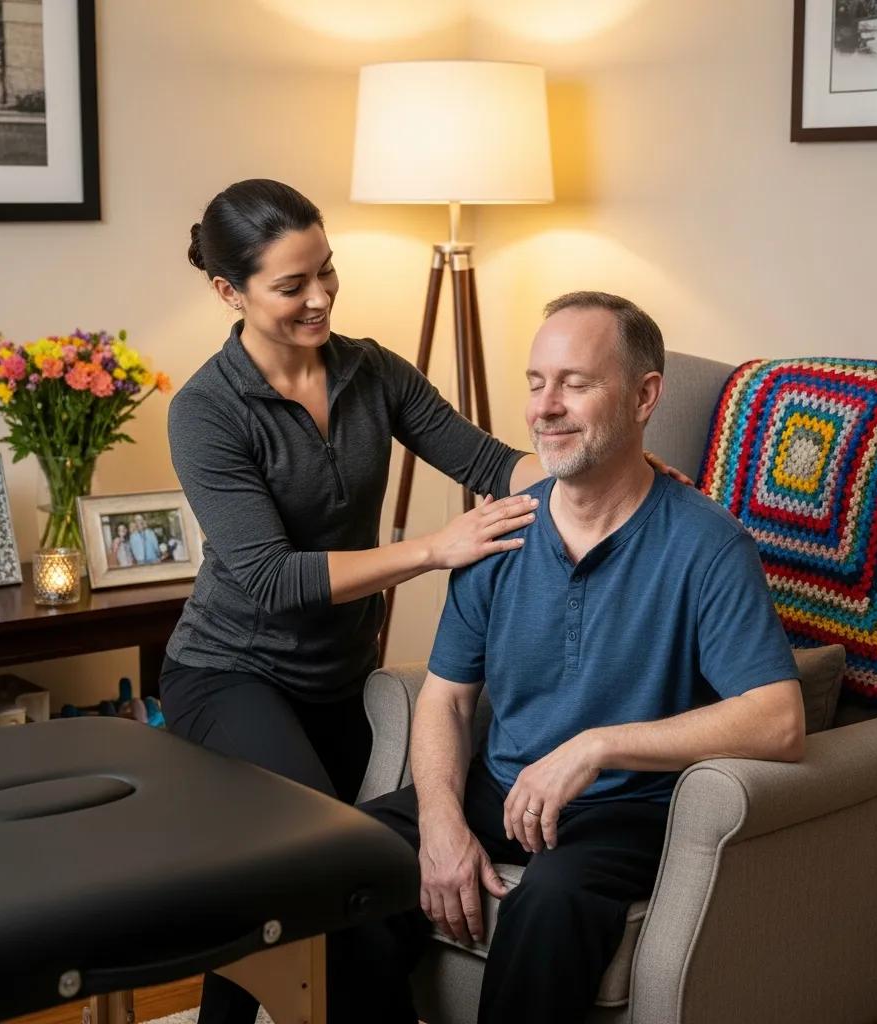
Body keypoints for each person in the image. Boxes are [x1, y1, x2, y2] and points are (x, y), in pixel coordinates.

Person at [161, 180, 687, 1024]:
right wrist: (434, 551)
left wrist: (618, 465)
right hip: (231, 674)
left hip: (340, 679)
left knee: (283, 899)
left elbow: (487, 461)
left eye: (326, 272)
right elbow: (270, 579)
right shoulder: (206, 411)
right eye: (292, 286)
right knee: (319, 871)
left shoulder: (371, 371)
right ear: (230, 293)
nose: (321, 297)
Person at [326, 292, 805, 1024]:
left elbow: (779, 722)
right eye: (535, 382)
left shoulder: (708, 544)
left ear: (645, 397)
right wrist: (444, 822)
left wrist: (598, 746)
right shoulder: (498, 533)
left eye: (576, 383)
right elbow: (447, 699)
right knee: (346, 862)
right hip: (501, 785)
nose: (546, 407)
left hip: (628, 809)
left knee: (548, 902)